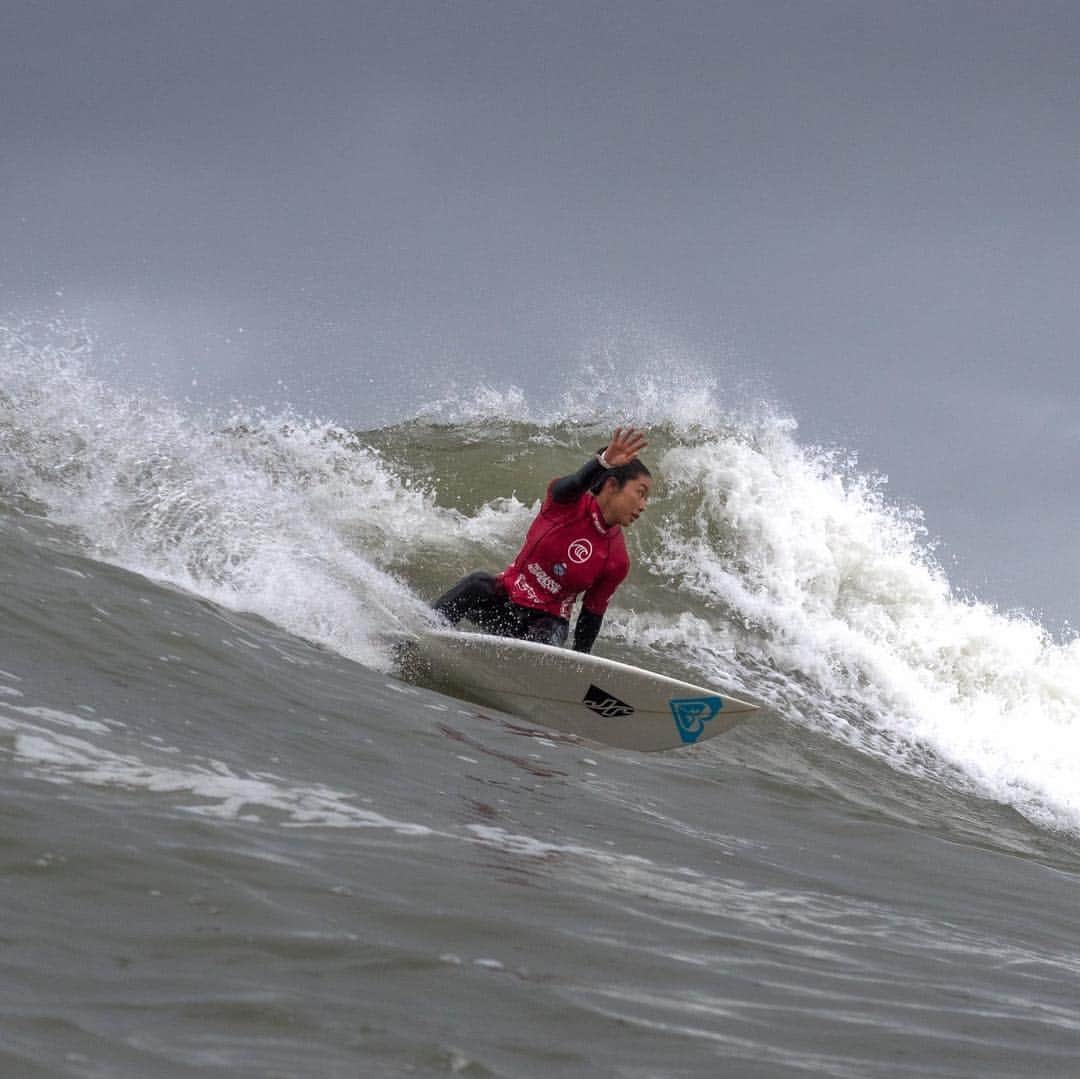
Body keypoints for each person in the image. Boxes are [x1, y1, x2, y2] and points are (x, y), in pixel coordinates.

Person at [432, 427, 651, 653]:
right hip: (504, 605)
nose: (643, 506)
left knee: (544, 638)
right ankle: (424, 637)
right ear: (612, 485)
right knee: (477, 583)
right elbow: (575, 482)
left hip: (547, 623)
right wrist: (603, 462)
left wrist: (580, 666)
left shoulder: (617, 559)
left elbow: (591, 615)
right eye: (640, 493)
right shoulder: (565, 504)